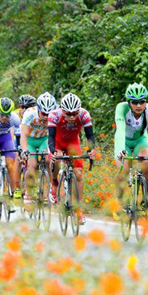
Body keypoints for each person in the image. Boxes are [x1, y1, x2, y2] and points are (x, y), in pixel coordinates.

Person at [47, 93, 96, 224]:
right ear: (62, 110)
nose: (72, 117)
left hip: (73, 143)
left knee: (78, 174)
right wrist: (53, 151)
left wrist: (91, 150)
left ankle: (78, 209)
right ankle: (54, 182)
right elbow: (50, 138)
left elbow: (89, 136)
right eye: (68, 114)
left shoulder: (84, 114)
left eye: (75, 113)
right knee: (56, 159)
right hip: (57, 142)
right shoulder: (54, 115)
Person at [114, 83, 148, 201]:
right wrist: (120, 150)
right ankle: (119, 200)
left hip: (140, 140)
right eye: (134, 102)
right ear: (129, 102)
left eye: (142, 101)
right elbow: (120, 130)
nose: (139, 105)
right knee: (123, 170)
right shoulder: (121, 108)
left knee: (146, 162)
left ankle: (145, 197)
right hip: (124, 141)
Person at [20, 92, 57, 199]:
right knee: (32, 166)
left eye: (48, 114)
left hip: (44, 139)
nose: (46, 117)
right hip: (30, 140)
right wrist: (25, 150)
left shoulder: (55, 114)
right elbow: (24, 135)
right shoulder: (29, 114)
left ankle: (52, 187)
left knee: (49, 159)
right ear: (38, 109)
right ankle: (29, 193)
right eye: (44, 113)